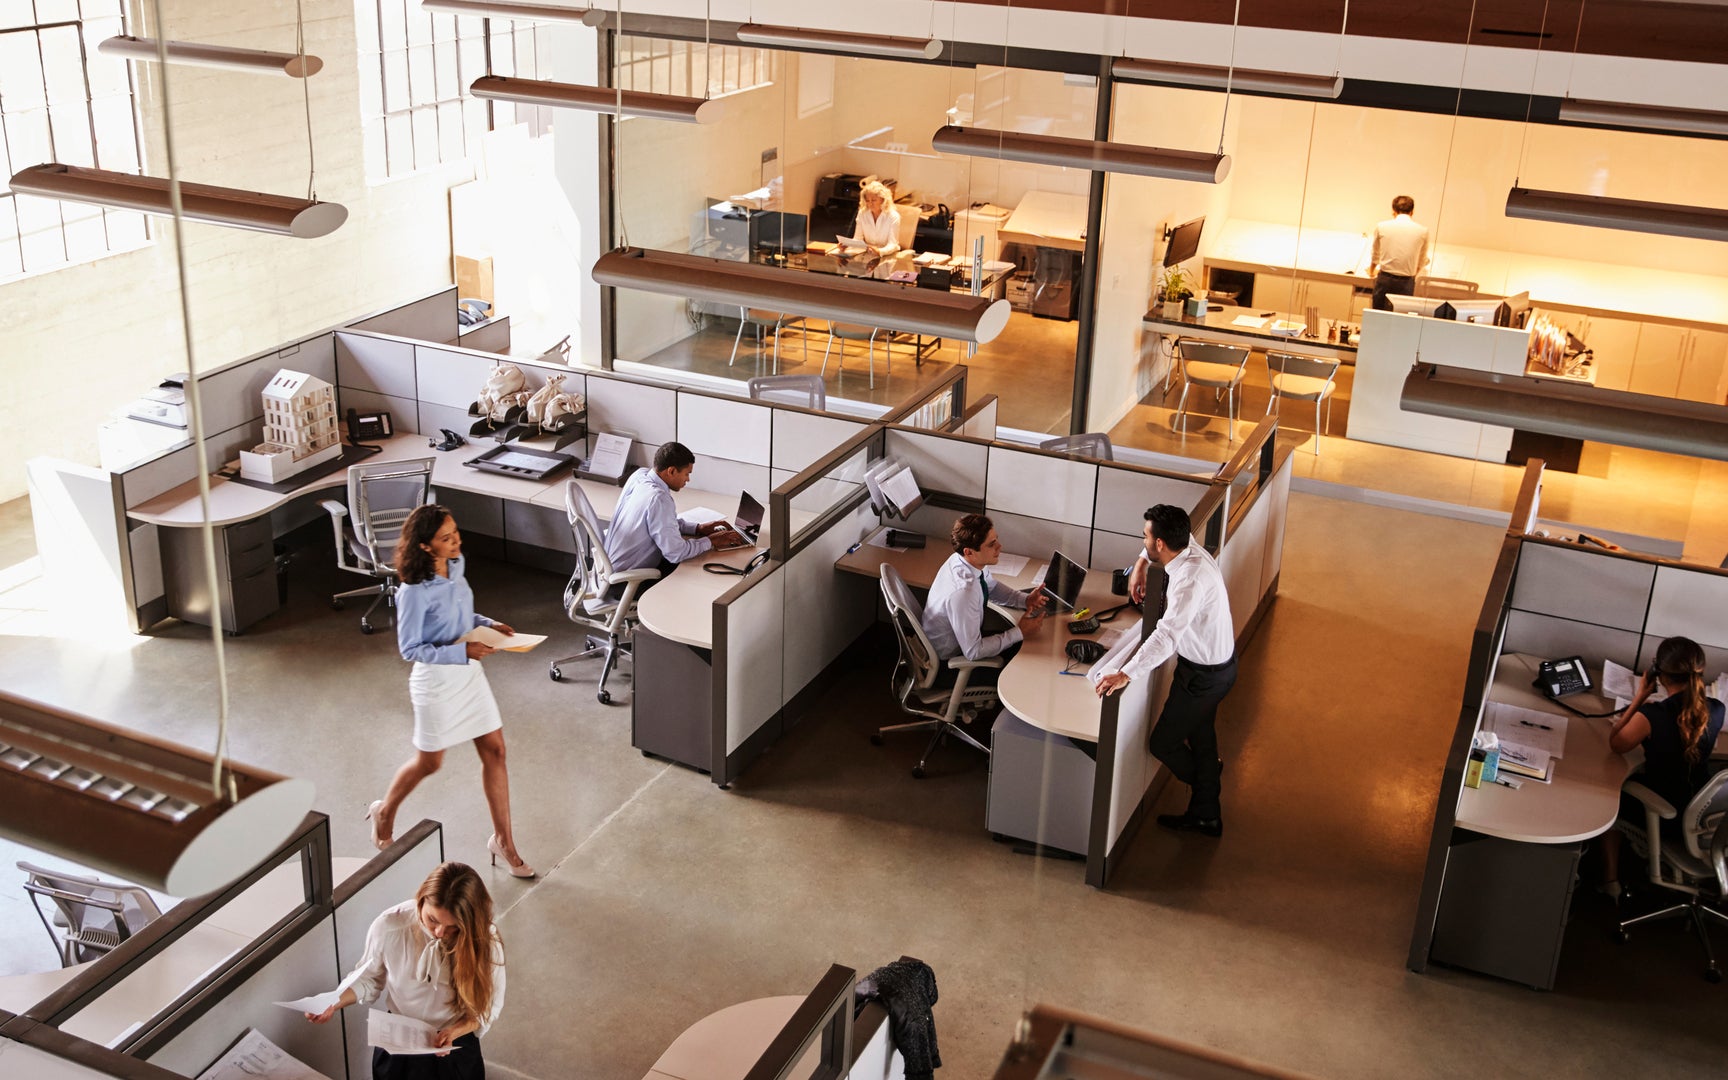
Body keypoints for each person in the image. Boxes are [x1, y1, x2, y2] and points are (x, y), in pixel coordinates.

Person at [367, 505, 534, 879]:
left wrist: (489, 624)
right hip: (437, 681)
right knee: (430, 763)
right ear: (426, 547)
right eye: (446, 538)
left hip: (469, 673)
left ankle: (503, 841)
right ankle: (386, 810)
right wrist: (462, 651)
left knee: (496, 751)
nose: (456, 540)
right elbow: (410, 649)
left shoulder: (456, 565)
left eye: (455, 532)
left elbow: (461, 617)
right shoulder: (413, 592)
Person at [1094, 505, 1236, 838]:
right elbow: (1154, 546)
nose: (1143, 539)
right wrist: (1141, 563)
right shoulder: (1187, 547)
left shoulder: (1188, 581)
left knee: (1163, 743)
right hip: (1215, 667)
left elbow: (1168, 636)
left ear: (1160, 543)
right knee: (1201, 736)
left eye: (1146, 537)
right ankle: (1206, 815)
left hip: (1204, 676)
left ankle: (1207, 782)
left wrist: (1126, 673)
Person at [307, 862, 504, 1079]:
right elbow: (369, 979)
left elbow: (486, 1009)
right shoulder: (389, 926)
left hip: (453, 1044)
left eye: (453, 928)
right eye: (432, 920)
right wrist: (334, 1001)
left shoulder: (485, 941)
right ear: (421, 900)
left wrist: (453, 1032)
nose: (439, 932)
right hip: (398, 1044)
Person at [1598, 636, 1725, 898]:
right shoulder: (1717, 709)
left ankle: (1610, 881)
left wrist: (1639, 698)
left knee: (1610, 796)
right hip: (1700, 815)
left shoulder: (1652, 716)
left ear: (1660, 674)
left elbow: (1616, 744)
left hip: (1667, 816)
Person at [921, 514, 1046, 687]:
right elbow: (973, 651)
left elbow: (991, 587)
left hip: (964, 643)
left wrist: (1025, 600)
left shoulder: (964, 562)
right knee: (1025, 669)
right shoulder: (963, 592)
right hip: (952, 665)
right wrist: (1020, 632)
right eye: (991, 544)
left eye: (996, 540)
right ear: (969, 552)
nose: (999, 547)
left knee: (1024, 648)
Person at [604, 442, 743, 589]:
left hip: (610, 571)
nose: (688, 479)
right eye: (686, 473)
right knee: (696, 575)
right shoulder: (659, 498)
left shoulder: (640, 476)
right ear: (671, 471)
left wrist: (698, 528)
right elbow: (675, 553)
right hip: (626, 583)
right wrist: (711, 541)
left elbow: (660, 521)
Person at [1369, 194, 1429, 311]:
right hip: (1407, 282)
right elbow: (1421, 260)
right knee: (1400, 320)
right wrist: (1412, 273)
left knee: (1378, 316)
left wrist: (1371, 271)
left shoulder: (1381, 226)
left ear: (1394, 211)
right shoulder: (1423, 231)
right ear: (1412, 212)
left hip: (1385, 279)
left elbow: (1375, 255)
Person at [851, 179, 902, 260]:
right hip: (867, 256)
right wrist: (848, 245)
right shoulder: (862, 213)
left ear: (883, 200)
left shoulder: (893, 216)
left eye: (874, 200)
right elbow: (857, 239)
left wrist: (879, 251)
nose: (870, 203)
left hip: (888, 257)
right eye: (867, 200)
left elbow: (893, 244)